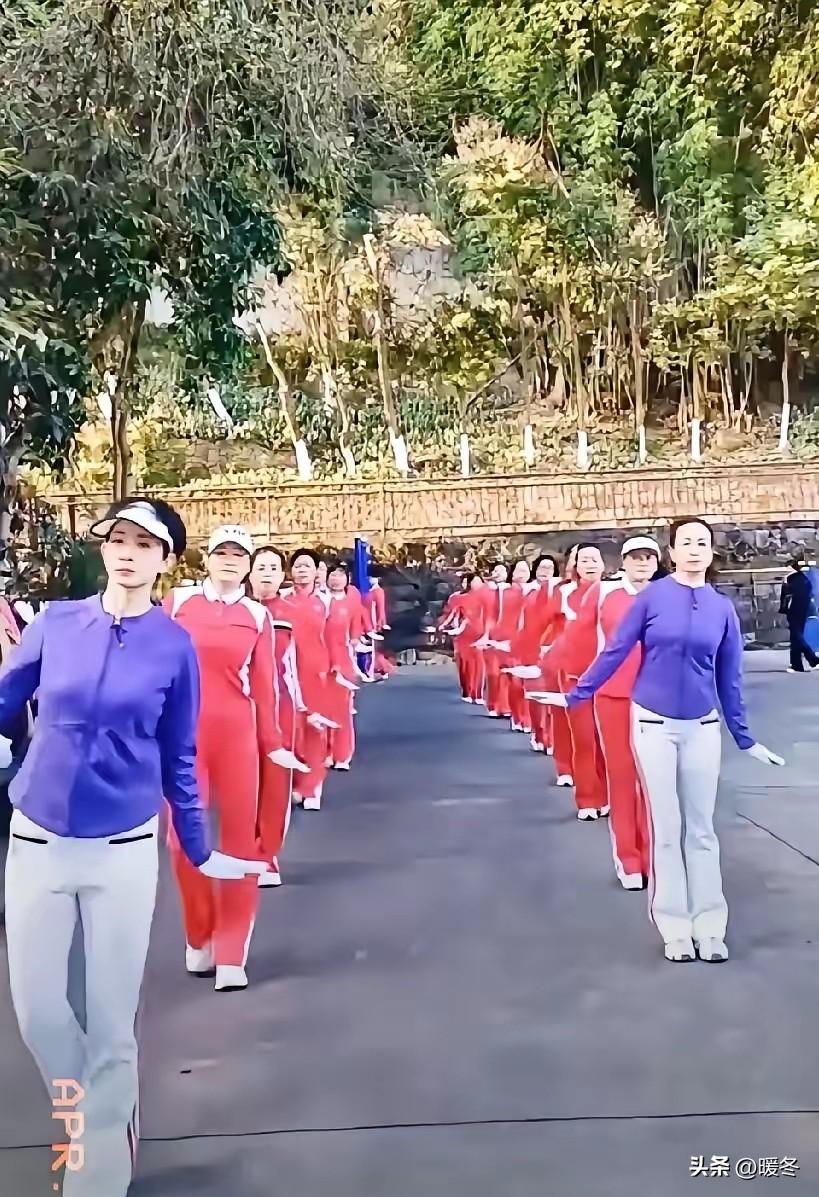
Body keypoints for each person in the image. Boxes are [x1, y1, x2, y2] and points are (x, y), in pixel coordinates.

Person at [2, 498, 265, 1197]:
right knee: (40, 1013)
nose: (127, 552)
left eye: (145, 544)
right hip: (37, 837)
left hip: (122, 846)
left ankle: (97, 1160)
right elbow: (6, 699)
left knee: (111, 1021)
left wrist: (199, 848)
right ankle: (86, 1114)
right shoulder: (57, 623)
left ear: (166, 559)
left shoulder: (173, 646)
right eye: (118, 538)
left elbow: (180, 756)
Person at [533, 518, 784, 963]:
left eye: (702, 543)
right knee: (666, 830)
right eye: (686, 542)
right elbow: (614, 651)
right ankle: (674, 928)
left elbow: (729, 678)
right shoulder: (651, 598)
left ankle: (710, 926)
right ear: (673, 552)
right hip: (652, 722)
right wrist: (576, 695)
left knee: (701, 830)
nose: (694, 549)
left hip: (702, 725)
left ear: (711, 552)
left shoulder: (721, 608)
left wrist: (744, 737)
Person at [165, 525, 304, 991]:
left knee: (241, 844)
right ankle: (200, 934)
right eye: (221, 552)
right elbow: (154, 668)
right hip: (184, 739)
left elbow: (265, 689)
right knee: (181, 842)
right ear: (206, 559)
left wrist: (275, 745)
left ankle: (231, 953)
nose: (229, 560)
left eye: (238, 555)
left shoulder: (257, 616)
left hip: (237, 737)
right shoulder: (178, 603)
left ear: (247, 565)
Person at [248, 544, 303, 888]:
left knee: (274, 785)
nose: (267, 574)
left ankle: (266, 855)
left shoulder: (290, 614)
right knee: (242, 785)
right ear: (249, 572)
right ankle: (241, 850)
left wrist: (305, 708)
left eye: (273, 568)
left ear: (282, 575)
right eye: (261, 567)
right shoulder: (238, 611)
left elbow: (298, 664)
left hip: (281, 709)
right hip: (241, 710)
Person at [280, 548, 338, 810]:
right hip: (287, 671)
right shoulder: (282, 599)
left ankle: (312, 786)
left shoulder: (326, 602)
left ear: (317, 571)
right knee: (290, 728)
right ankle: (294, 782)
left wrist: (336, 668)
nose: (302, 570)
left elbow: (334, 638)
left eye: (307, 566)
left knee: (315, 728)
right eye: (298, 566)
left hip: (316, 671)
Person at [325, 560, 366, 770]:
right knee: (323, 708)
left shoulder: (351, 603)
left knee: (342, 709)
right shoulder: (320, 601)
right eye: (333, 574)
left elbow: (355, 635)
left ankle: (342, 755)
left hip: (343, 660)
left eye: (341, 575)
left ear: (348, 579)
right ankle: (326, 752)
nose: (336, 579)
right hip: (321, 660)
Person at [779, 558, 819, 673]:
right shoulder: (803, 578)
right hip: (803, 608)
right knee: (795, 636)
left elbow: (786, 596)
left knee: (796, 635)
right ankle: (797, 664)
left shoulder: (791, 578)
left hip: (795, 609)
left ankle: (813, 659)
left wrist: (784, 608)